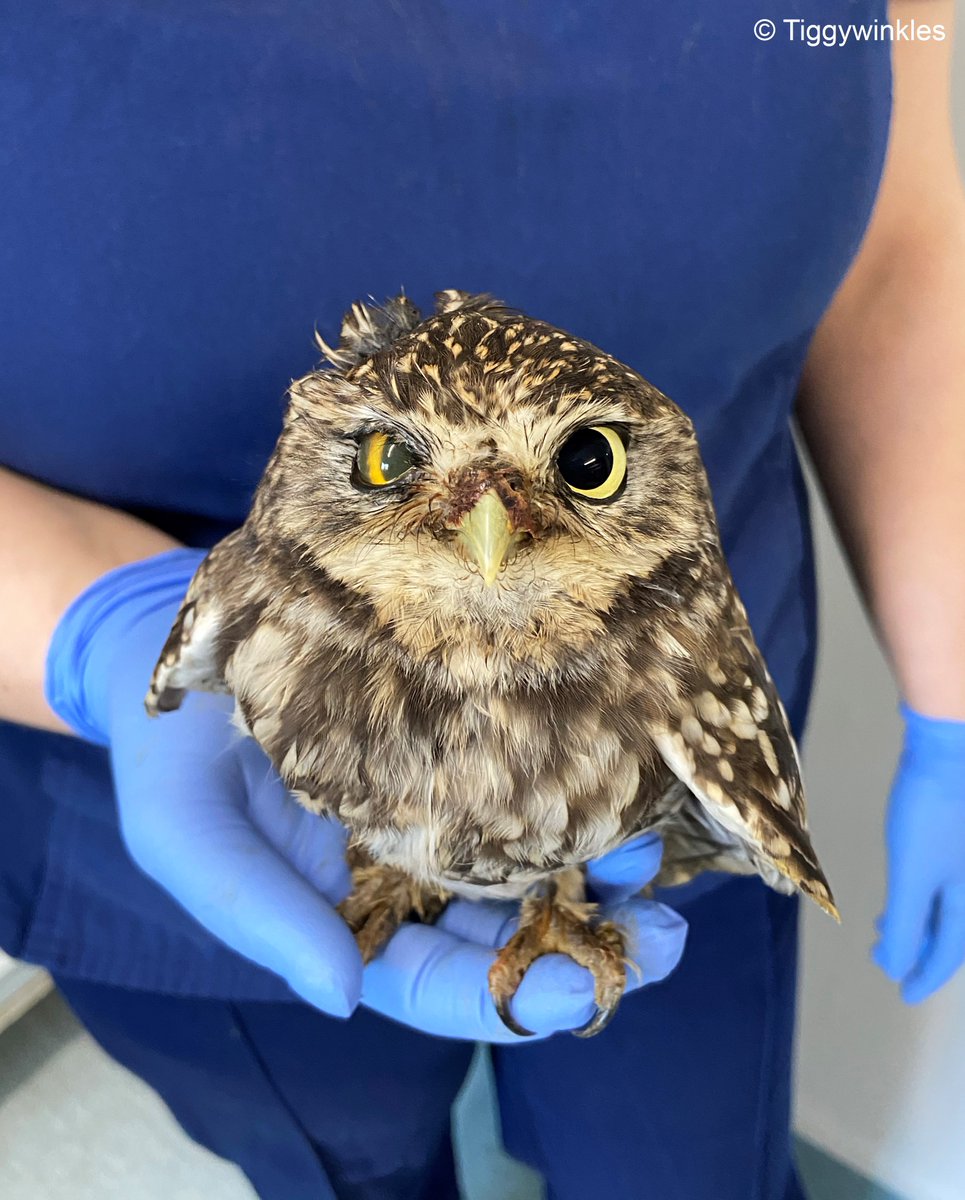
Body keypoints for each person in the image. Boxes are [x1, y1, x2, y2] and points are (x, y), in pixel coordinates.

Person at [2, 3, 964, 1198]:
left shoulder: (668, 657)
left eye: (583, 468)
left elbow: (892, 237)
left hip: (644, 784)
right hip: (198, 792)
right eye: (391, 467)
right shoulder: (255, 606)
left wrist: (950, 699)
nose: (488, 531)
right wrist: (93, 625)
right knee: (342, 1160)